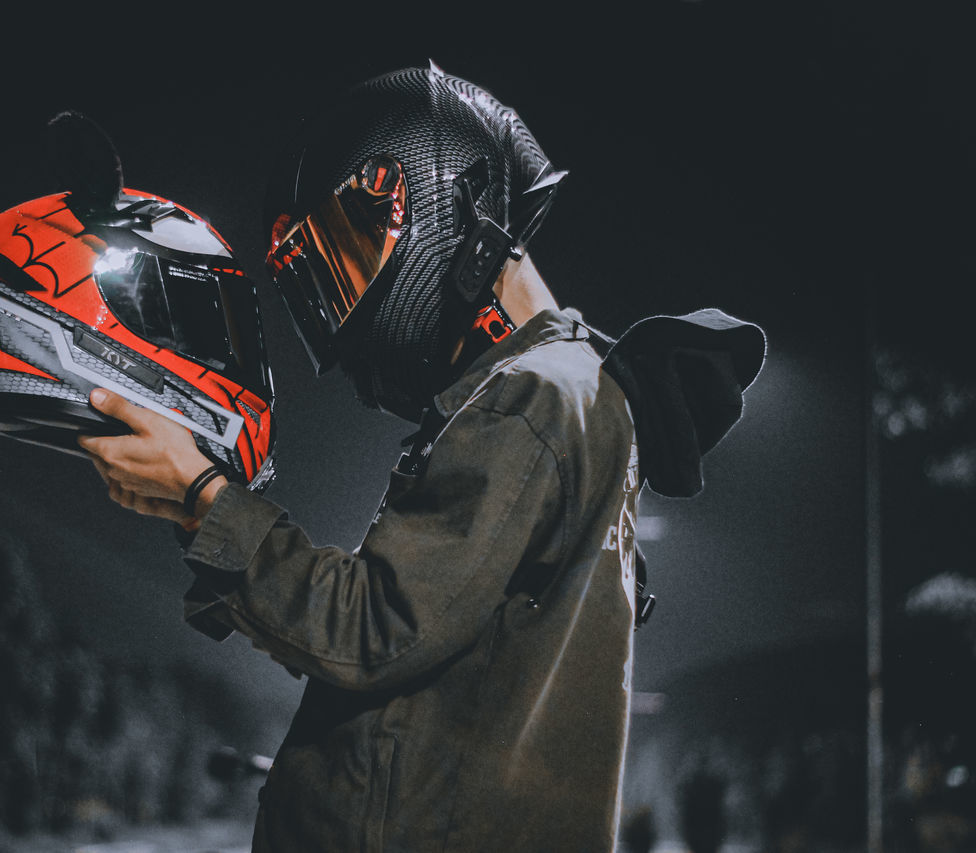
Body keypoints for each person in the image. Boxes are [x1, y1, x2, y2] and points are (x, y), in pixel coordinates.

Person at [77, 65, 764, 852]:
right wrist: (197, 506)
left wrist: (203, 498)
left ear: (446, 202)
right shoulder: (577, 393)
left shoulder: (531, 397)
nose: (343, 322)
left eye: (345, 264)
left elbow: (373, 629)